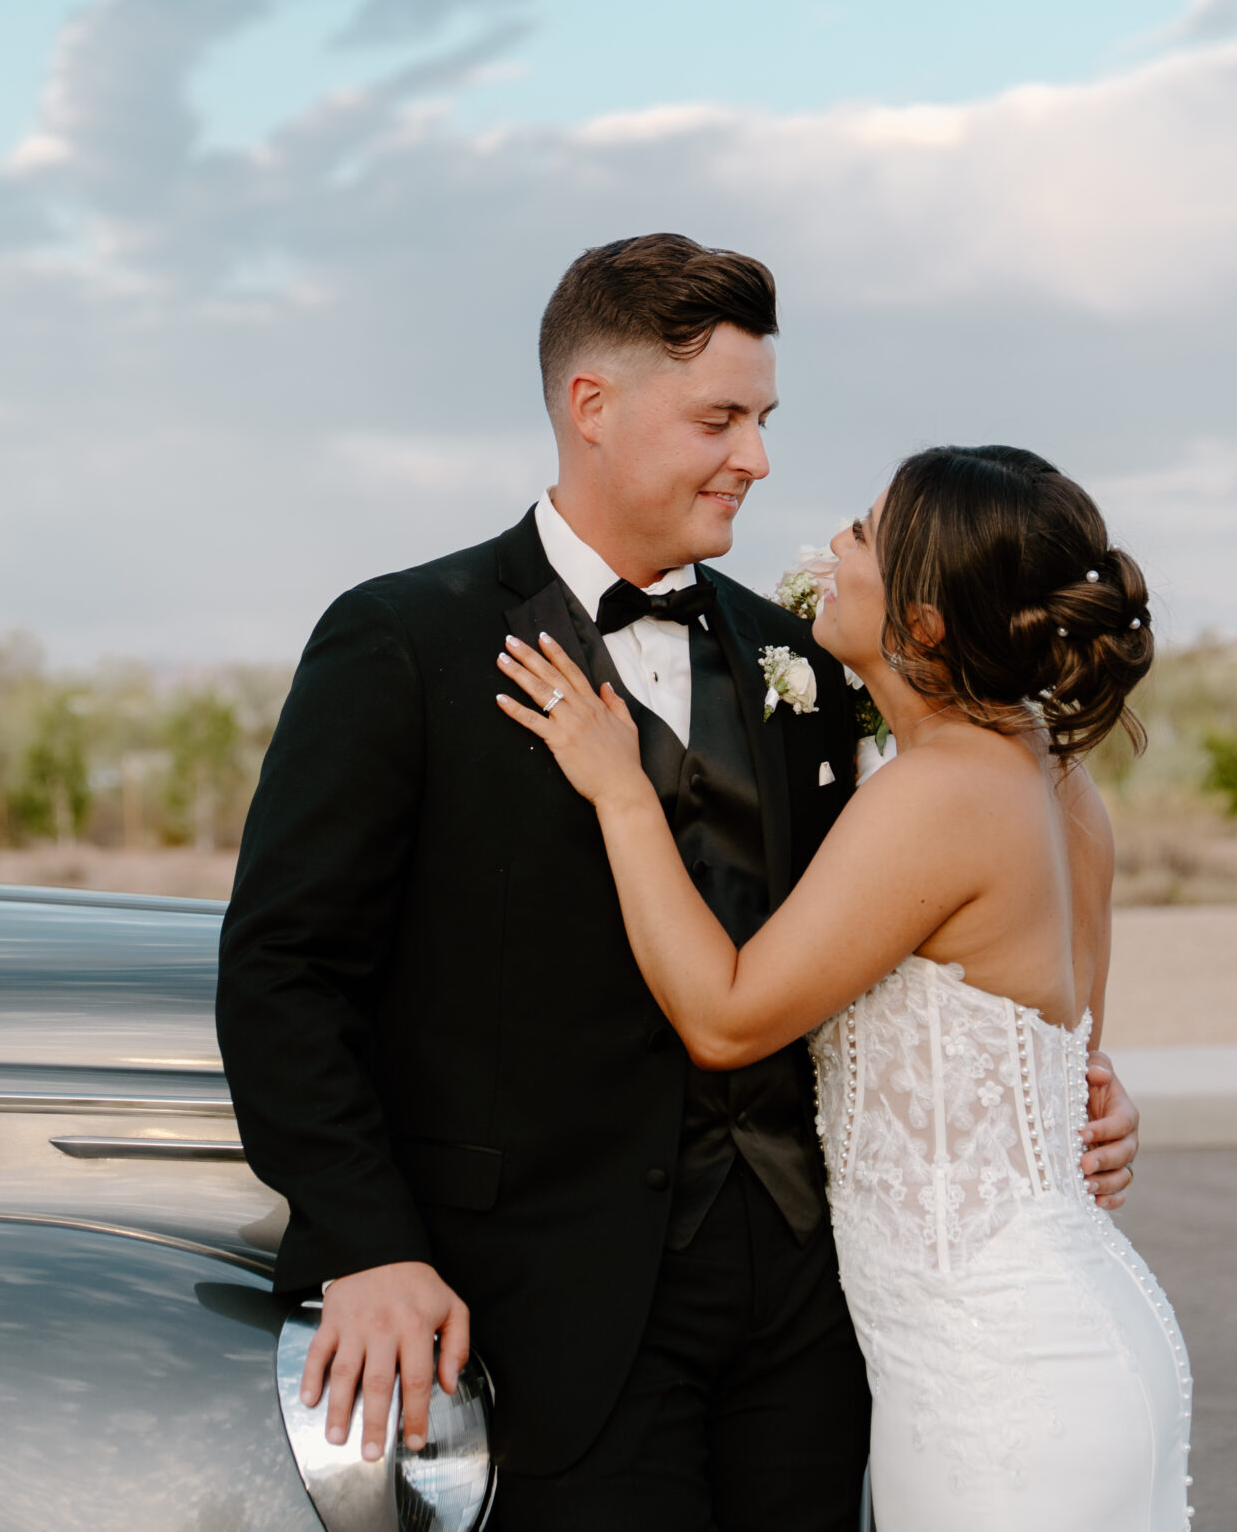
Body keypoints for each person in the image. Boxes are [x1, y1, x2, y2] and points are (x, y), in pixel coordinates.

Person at [217, 235, 1144, 1530]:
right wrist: (369, 1240)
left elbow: (920, 926)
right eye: (720, 417)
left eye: (763, 418)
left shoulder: (808, 661)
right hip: (548, 1304)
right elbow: (283, 968)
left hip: (809, 1319)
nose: (756, 457)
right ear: (593, 407)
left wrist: (1051, 1096)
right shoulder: (405, 642)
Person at [495, 443, 1191, 1531]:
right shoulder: (1052, 771)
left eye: (862, 536)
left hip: (994, 1382)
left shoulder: (940, 791)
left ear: (919, 624)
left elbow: (725, 1018)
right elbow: (1066, 1048)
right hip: (1064, 1337)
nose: (828, 551)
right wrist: (1096, 1113)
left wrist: (622, 794)